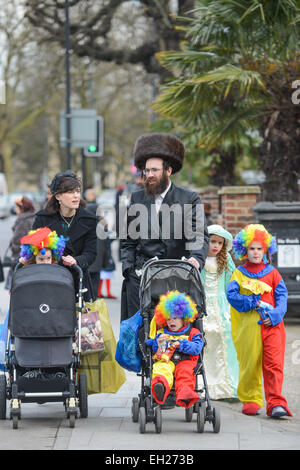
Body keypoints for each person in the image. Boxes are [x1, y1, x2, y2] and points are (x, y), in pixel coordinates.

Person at [120, 133, 209, 321]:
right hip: (141, 278)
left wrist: (196, 259)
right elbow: (128, 240)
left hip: (178, 276)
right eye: (146, 171)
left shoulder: (189, 198)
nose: (149, 175)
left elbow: (198, 234)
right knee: (139, 337)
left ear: (168, 171)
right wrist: (128, 269)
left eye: (154, 170)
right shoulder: (136, 198)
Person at [227, 224, 292, 418]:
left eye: (259, 248)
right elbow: (231, 295)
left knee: (274, 363)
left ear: (266, 250)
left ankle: (276, 402)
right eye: (252, 248)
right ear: (244, 250)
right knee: (249, 363)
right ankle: (251, 399)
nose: (256, 252)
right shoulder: (239, 273)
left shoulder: (273, 273)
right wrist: (252, 302)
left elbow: (282, 298)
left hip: (273, 327)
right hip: (248, 328)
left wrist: (274, 316)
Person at [32, 171, 97, 301]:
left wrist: (76, 261)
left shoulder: (89, 220)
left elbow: (91, 253)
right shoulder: (43, 219)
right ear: (58, 196)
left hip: (78, 281)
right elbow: (34, 250)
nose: (76, 196)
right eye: (70, 192)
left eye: (78, 191)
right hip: (49, 281)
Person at [146, 290, 204, 408]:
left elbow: (197, 348)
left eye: (175, 318)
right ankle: (160, 386)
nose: (171, 321)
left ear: (184, 318)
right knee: (161, 368)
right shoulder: (162, 332)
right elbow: (154, 350)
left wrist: (182, 344)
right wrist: (158, 341)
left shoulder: (193, 332)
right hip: (166, 360)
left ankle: (185, 393)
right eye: (168, 319)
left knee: (185, 373)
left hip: (185, 361)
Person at [200, 224, 239, 400]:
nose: (215, 246)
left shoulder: (226, 261)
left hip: (221, 304)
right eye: (212, 241)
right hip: (203, 304)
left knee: (224, 341)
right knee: (205, 341)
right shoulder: (199, 260)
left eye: (219, 243)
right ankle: (204, 384)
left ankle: (226, 386)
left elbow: (231, 283)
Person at [5, 196, 35, 290]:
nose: (14, 209)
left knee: (17, 287)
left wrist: (13, 247)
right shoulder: (32, 217)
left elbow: (18, 242)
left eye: (16, 207)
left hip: (20, 258)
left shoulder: (23, 221)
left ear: (21, 208)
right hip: (30, 258)